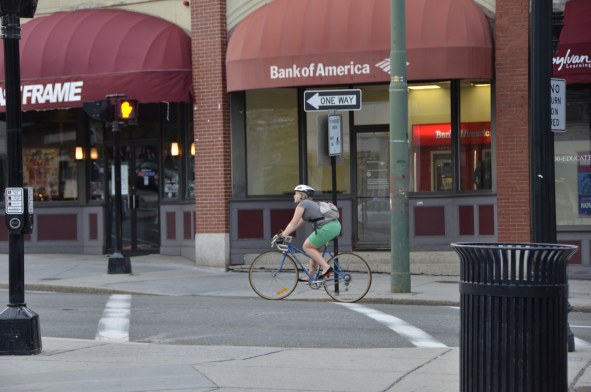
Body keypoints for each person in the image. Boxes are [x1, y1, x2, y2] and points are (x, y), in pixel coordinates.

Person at [280, 184, 341, 280]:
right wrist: (285, 233)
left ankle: (326, 267)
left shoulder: (303, 204)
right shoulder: (309, 205)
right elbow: (296, 225)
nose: (294, 196)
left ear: (301, 195)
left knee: (306, 246)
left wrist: (282, 236)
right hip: (333, 226)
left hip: (328, 227)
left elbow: (293, 222)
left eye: (296, 193)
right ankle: (311, 275)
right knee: (314, 250)